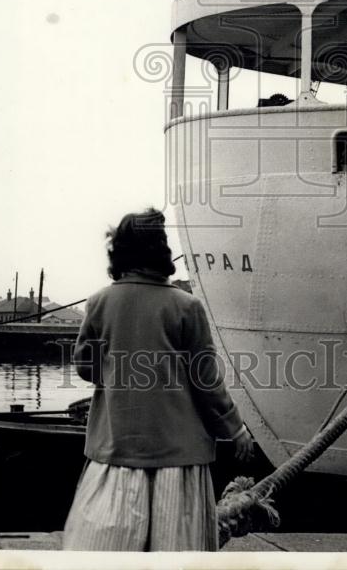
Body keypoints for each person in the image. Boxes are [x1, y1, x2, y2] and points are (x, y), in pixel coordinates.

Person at [62, 208, 252, 551]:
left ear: (117, 251)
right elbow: (207, 382)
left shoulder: (98, 303)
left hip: (115, 455)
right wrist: (235, 430)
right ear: (161, 250)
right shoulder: (186, 307)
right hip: (178, 462)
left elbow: (85, 367)